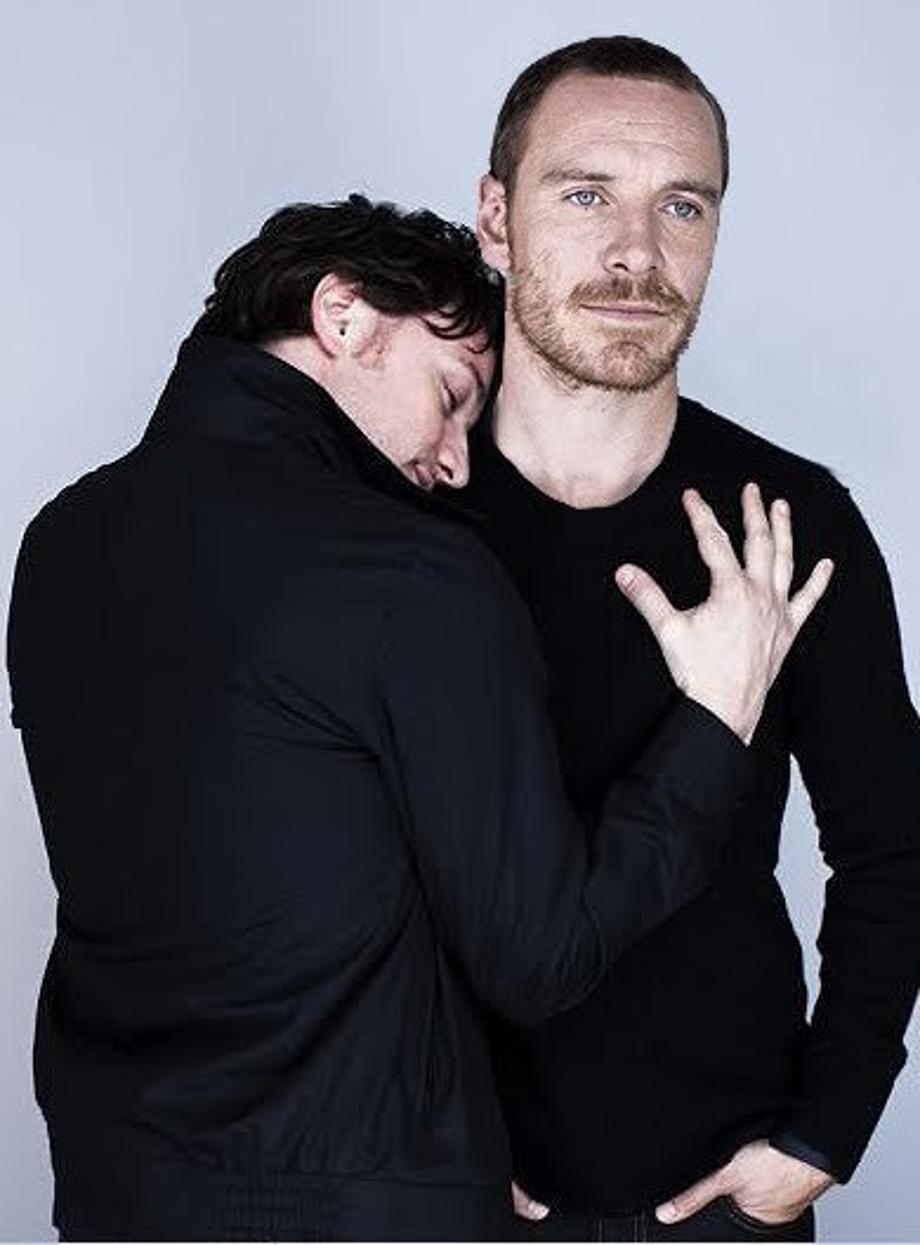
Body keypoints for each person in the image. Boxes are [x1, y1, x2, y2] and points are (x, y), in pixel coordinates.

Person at [6, 196, 829, 1241]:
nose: (454, 461)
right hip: (365, 1209)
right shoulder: (412, 573)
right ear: (343, 316)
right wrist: (716, 720)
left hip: (114, 1191)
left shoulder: (60, 541)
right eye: (451, 396)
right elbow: (542, 955)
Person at [463, 35, 920, 1243]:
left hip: (719, 1195)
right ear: (496, 219)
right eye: (584, 196)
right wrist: (415, 1127)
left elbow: (890, 846)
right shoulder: (403, 512)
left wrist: (824, 1131)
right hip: (441, 1185)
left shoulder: (791, 520)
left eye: (681, 205)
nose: (635, 253)